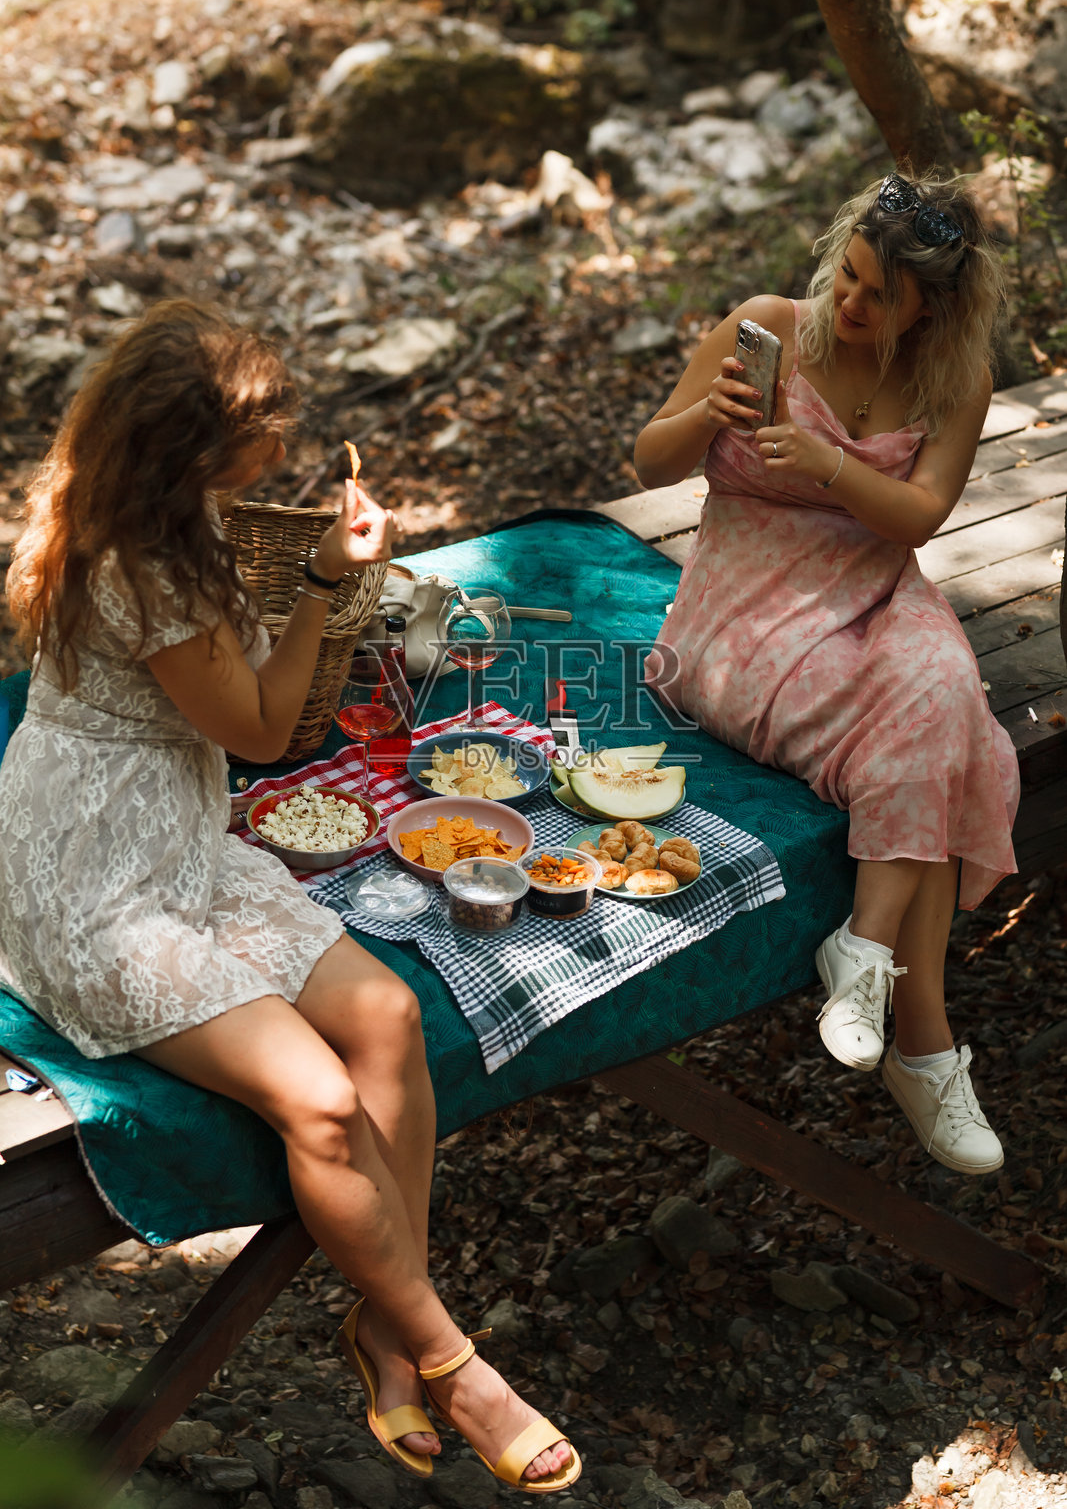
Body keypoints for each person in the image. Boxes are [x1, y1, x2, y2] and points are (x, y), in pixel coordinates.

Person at [0, 300, 580, 1495]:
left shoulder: (166, 514)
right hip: (93, 879)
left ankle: (385, 1325)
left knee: (389, 1016)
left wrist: (314, 579)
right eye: (265, 431)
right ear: (196, 451)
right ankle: (449, 1356)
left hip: (176, 838)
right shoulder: (139, 568)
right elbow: (265, 732)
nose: (286, 446)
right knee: (317, 1101)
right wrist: (326, 580)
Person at [635, 172, 1017, 1176]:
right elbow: (647, 461)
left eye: (879, 296)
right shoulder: (766, 325)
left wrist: (825, 461)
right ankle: (922, 1044)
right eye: (846, 275)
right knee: (945, 734)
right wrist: (704, 417)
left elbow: (918, 518)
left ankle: (864, 948)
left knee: (940, 693)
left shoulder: (953, 381)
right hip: (740, 607)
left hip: (876, 589)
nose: (848, 302)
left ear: (930, 309)